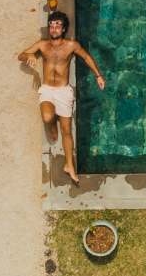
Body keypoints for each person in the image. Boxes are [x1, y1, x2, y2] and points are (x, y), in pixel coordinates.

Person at [16, 11, 106, 184]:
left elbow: (86, 57)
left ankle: (69, 165)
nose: (54, 28)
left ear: (63, 28)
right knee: (48, 116)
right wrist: (29, 55)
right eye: (51, 25)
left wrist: (98, 76)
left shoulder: (71, 45)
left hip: (64, 92)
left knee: (67, 131)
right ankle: (51, 127)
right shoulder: (42, 45)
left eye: (57, 25)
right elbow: (21, 55)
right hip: (48, 90)